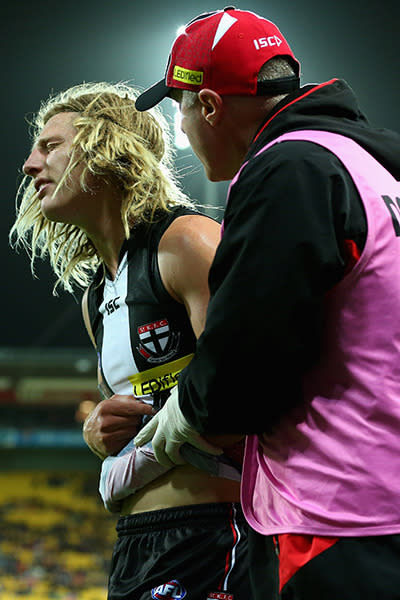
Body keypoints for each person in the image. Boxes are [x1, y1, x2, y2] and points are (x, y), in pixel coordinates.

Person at [133, 7, 400, 600]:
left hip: (333, 522)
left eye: (180, 108)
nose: (181, 130)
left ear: (210, 106)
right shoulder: (373, 163)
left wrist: (178, 418)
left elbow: (246, 364)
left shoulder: (291, 168)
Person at [9, 81, 252, 600]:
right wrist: (100, 435)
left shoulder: (186, 242)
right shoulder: (95, 294)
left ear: (107, 147)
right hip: (133, 546)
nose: (30, 164)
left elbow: (244, 393)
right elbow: (133, 411)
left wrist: (135, 461)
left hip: (217, 534)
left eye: (51, 146)